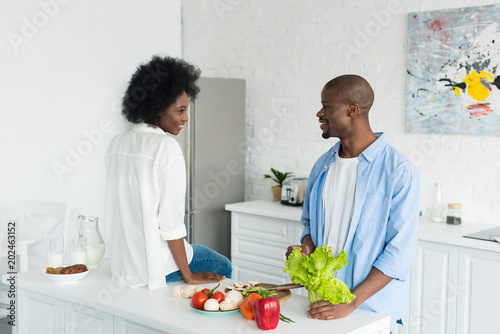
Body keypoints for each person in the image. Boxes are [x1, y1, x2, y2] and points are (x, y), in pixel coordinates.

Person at [286, 75, 420, 330]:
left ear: (352, 110)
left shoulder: (399, 172)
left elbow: (399, 254)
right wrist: (306, 247)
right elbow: (310, 227)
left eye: (326, 106)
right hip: (322, 305)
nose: (319, 113)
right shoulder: (322, 166)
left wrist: (350, 302)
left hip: (369, 312)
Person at [104, 56, 232, 290]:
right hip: (158, 266)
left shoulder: (116, 145)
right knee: (223, 265)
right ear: (158, 108)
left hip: (123, 267)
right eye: (181, 110)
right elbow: (170, 223)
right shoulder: (166, 147)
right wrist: (188, 276)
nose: (185, 118)